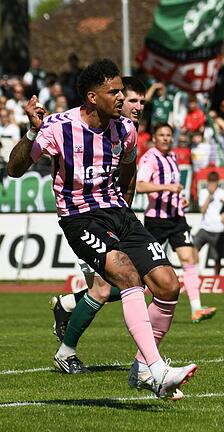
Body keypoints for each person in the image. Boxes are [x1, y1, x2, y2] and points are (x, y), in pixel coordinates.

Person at [7, 59, 196, 399]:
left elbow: (128, 170)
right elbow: (15, 169)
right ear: (93, 97)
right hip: (80, 218)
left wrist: (123, 205)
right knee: (126, 276)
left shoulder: (125, 129)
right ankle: (157, 371)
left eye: (123, 90)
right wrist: (32, 131)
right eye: (116, 92)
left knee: (169, 285)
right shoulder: (56, 127)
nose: (123, 97)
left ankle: (141, 367)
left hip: (119, 214)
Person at [48, 76, 148, 370]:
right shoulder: (84, 128)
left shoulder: (126, 131)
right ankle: (66, 352)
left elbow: (128, 178)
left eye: (141, 102)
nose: (136, 106)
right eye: (131, 100)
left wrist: (124, 216)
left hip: (114, 219)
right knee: (106, 289)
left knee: (135, 283)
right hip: (86, 219)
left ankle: (68, 304)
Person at [137, 122, 217, 323]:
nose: (165, 138)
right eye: (161, 135)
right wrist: (167, 188)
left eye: (168, 135)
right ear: (154, 138)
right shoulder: (149, 158)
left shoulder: (172, 157)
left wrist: (180, 199)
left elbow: (174, 189)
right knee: (145, 269)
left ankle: (196, 308)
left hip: (177, 218)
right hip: (156, 220)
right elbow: (140, 186)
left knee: (189, 258)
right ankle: (135, 306)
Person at [196, 171, 224, 275]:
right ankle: (196, 272)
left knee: (217, 257)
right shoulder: (203, 192)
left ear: (217, 182)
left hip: (219, 229)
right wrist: (209, 197)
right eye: (210, 182)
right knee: (192, 249)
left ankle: (216, 277)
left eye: (214, 182)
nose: (212, 184)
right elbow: (202, 210)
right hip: (205, 228)